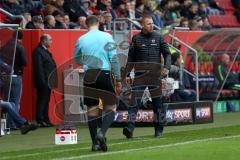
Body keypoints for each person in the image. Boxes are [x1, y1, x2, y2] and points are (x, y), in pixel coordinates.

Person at [74, 15, 122, 152]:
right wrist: (118, 80)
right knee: (111, 108)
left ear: (86, 25)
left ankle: (95, 143)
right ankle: (102, 133)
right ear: (99, 23)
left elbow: (77, 59)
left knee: (92, 111)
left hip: (89, 75)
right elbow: (114, 59)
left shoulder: (81, 39)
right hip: (104, 74)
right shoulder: (107, 37)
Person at [122, 15, 171, 139]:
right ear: (142, 25)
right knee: (134, 103)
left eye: (152, 23)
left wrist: (167, 67)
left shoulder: (159, 37)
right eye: (148, 23)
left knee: (157, 104)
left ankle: (159, 130)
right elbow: (131, 58)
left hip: (155, 76)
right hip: (140, 75)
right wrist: (127, 74)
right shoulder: (136, 38)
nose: (151, 25)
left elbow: (167, 53)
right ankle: (129, 128)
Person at [32, 34, 57, 127]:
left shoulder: (45, 51)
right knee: (42, 101)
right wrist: (42, 82)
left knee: (46, 101)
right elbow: (39, 68)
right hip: (43, 82)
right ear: (44, 41)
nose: (51, 41)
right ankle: (40, 120)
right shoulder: (38, 52)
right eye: (50, 40)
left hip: (48, 81)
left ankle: (46, 119)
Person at [7, 31, 28, 129]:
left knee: (8, 101)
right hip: (16, 75)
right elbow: (25, 62)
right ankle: (12, 123)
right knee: (15, 101)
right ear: (20, 38)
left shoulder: (5, 46)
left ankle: (8, 123)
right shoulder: (19, 47)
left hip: (5, 77)